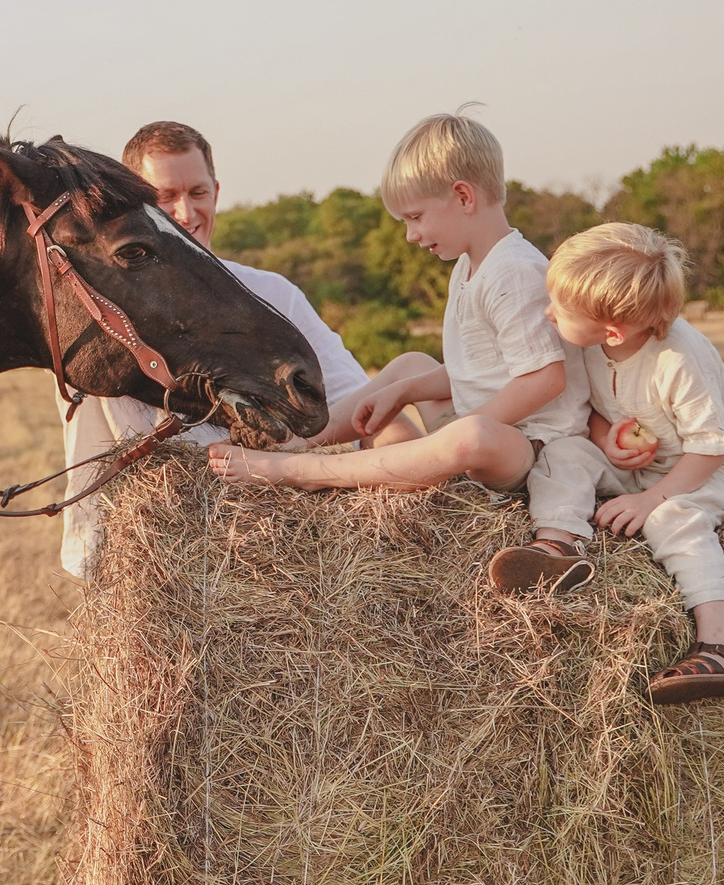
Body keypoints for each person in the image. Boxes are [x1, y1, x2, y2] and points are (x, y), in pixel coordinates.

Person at [208, 111, 585, 496]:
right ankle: (300, 441)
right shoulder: (472, 265)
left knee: (473, 435)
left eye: (416, 217)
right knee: (410, 365)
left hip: (532, 446)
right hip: (485, 423)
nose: (409, 235)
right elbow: (477, 368)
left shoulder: (514, 272)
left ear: (462, 197)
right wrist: (403, 392)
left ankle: (306, 468)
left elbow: (545, 379)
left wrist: (461, 426)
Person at [56, 122, 369, 576]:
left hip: (279, 548)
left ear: (217, 191)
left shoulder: (274, 296)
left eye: (198, 192)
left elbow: (359, 401)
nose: (185, 212)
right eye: (165, 197)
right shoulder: (99, 317)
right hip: (151, 561)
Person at [489, 223, 724, 702]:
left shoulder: (678, 358)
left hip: (717, 466)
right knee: (566, 450)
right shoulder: (593, 345)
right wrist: (607, 438)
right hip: (645, 463)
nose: (547, 313)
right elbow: (598, 413)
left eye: (559, 306)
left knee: (672, 518)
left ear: (614, 328)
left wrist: (650, 499)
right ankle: (558, 546)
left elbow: (712, 445)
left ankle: (723, 645)